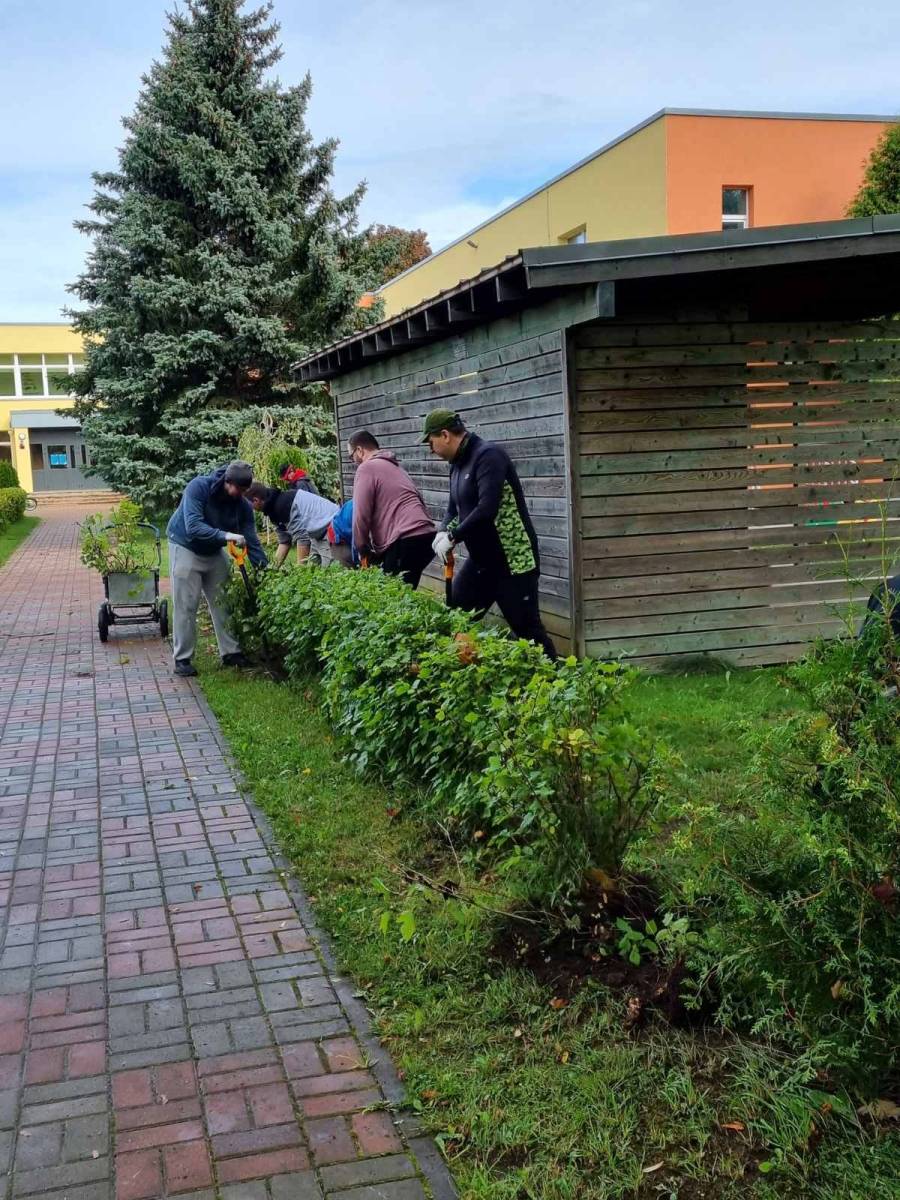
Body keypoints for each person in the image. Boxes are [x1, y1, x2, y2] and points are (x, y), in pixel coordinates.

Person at [422, 409, 557, 660]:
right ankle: (455, 672)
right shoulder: (456, 465)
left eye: (431, 442)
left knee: (529, 633)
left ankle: (558, 679)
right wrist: (442, 532)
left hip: (513, 562)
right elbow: (454, 509)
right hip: (481, 562)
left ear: (445, 435)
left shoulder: (488, 456)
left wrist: (453, 537)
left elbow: (487, 508)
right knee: (455, 618)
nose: (431, 450)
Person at [166, 460, 266, 677]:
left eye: (244, 491)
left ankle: (231, 653)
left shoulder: (242, 505)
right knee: (186, 604)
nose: (241, 495)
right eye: (238, 489)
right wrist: (227, 536)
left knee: (224, 601)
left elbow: (252, 542)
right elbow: (193, 527)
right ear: (227, 481)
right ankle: (182, 659)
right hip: (185, 545)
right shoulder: (199, 487)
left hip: (213, 550)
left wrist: (265, 572)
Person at [349, 430, 436, 588]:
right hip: (426, 536)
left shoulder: (366, 468)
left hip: (405, 538)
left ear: (359, 450)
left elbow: (361, 515)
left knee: (390, 595)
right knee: (404, 592)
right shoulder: (396, 467)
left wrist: (362, 548)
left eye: (351, 456)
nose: (353, 461)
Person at [246, 481, 339, 566]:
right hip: (317, 533)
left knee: (330, 571)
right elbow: (285, 541)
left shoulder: (282, 505)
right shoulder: (273, 509)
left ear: (256, 500)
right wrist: (272, 569)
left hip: (332, 526)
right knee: (313, 570)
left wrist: (299, 571)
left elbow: (303, 539)